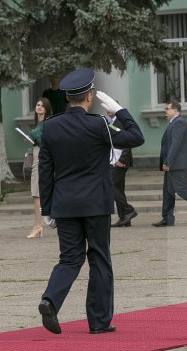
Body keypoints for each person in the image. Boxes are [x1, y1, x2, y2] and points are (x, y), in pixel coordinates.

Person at [37, 68, 145, 334]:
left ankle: (50, 300)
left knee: (69, 259)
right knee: (99, 258)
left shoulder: (50, 126)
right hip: (95, 204)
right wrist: (119, 110)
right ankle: (99, 322)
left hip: (64, 204)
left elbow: (45, 170)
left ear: (68, 98)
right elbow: (136, 137)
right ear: (89, 97)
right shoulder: (99, 125)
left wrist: (47, 208)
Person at [27, 97, 53, 238]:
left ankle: (38, 226)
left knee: (37, 194)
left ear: (47, 109)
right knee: (35, 194)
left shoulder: (47, 123)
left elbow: (44, 141)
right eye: (37, 105)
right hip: (37, 157)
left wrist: (33, 138)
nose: (39, 107)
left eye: (42, 106)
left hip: (42, 159)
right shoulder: (38, 123)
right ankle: (38, 225)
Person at [108, 111, 138, 227]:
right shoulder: (113, 121)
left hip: (120, 160)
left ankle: (128, 210)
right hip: (114, 159)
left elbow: (127, 141)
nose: (106, 109)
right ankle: (124, 218)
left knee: (110, 184)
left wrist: (122, 160)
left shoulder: (120, 121)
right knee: (119, 188)